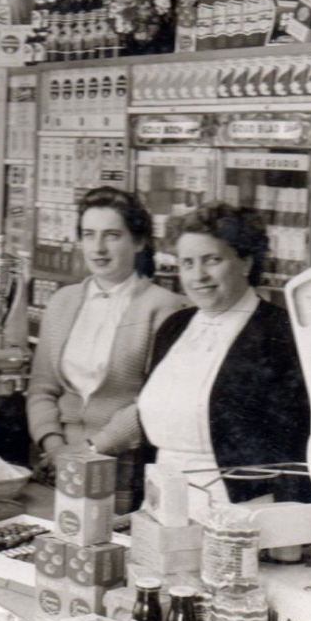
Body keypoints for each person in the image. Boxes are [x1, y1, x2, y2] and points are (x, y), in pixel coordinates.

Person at [137, 202, 311, 512]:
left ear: (245, 261)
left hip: (240, 511)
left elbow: (296, 447)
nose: (198, 275)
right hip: (160, 501)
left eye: (212, 260)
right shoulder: (174, 326)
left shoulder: (280, 334)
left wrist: (288, 534)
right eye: (187, 263)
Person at [26, 187, 186, 511]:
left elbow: (153, 405)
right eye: (89, 235)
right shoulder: (62, 301)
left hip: (122, 466)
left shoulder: (165, 308)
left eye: (112, 235)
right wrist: (54, 445)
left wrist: (90, 449)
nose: (98, 248)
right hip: (52, 464)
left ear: (138, 242)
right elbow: (41, 388)